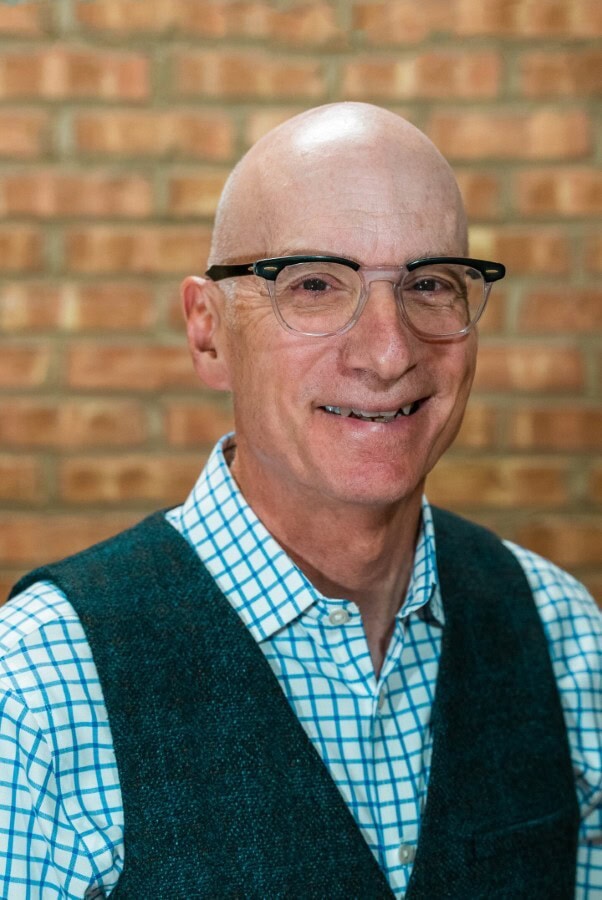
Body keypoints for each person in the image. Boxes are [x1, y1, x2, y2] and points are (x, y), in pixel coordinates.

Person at [0, 102, 600, 899]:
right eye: (315, 284)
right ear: (208, 330)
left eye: (429, 284)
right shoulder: (38, 690)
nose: (389, 352)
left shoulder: (566, 640)